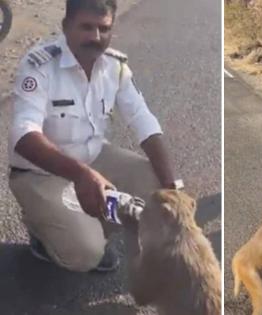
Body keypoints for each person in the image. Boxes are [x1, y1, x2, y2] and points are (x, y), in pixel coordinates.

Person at [8, 0, 183, 273]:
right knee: (86, 255)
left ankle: (82, 223)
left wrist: (173, 185)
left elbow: (143, 120)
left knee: (161, 195)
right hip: (39, 173)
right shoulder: (40, 64)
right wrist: (81, 175)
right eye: (86, 27)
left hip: (91, 158)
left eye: (104, 28)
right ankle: (41, 229)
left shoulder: (115, 67)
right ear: (66, 26)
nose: (95, 37)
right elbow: (24, 133)